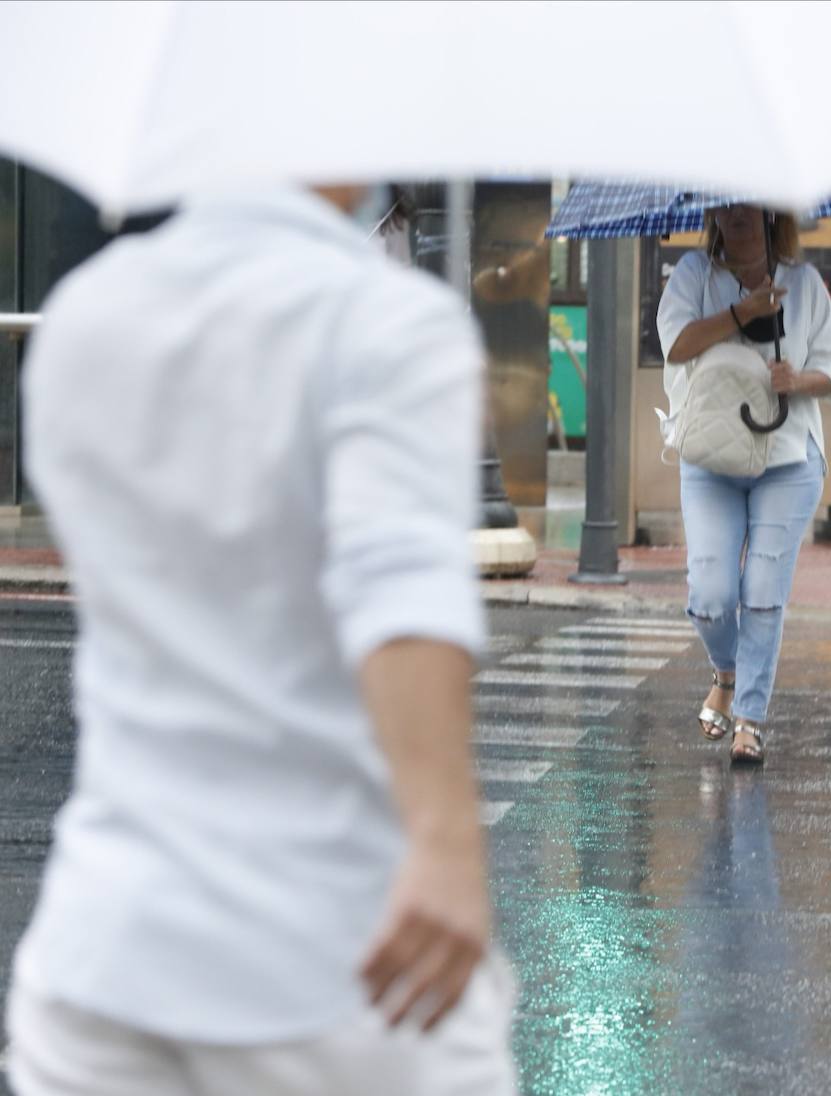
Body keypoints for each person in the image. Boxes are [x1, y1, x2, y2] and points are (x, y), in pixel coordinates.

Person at [5, 184, 516, 1094]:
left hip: (102, 957)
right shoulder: (385, 322)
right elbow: (396, 584)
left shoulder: (83, 320)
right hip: (343, 958)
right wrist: (445, 840)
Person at [657, 204, 831, 765]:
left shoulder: (804, 284)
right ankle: (728, 671)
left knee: (763, 591)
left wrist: (798, 378)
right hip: (711, 456)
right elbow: (677, 345)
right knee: (711, 595)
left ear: (771, 216)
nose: (736, 214)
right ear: (714, 215)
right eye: (726, 206)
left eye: (749, 206)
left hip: (787, 459)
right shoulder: (695, 274)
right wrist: (741, 314)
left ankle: (750, 720)